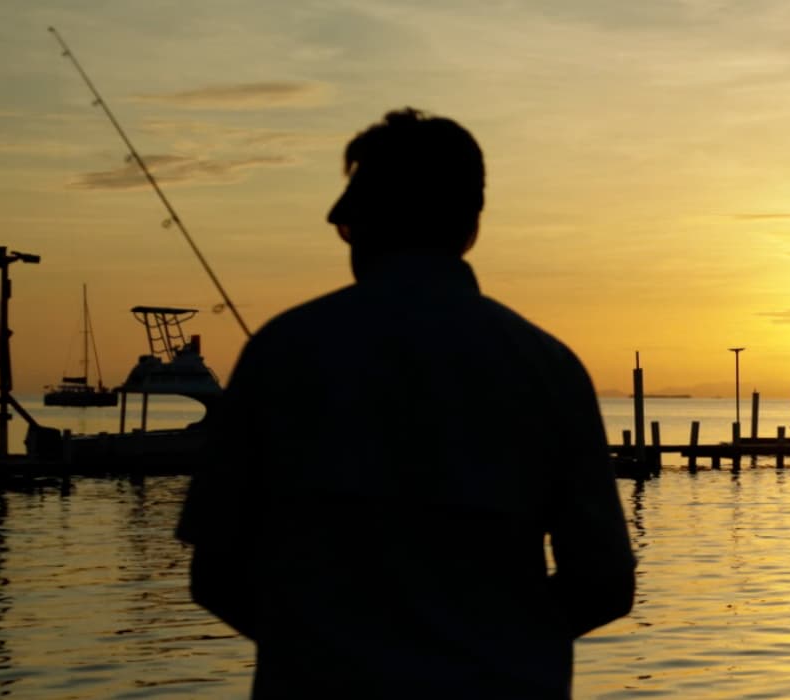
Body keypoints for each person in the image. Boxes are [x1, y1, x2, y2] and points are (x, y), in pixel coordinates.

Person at [177, 108, 635, 697]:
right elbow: (604, 582)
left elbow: (216, 574)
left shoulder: (281, 353)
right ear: (470, 226)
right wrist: (506, 647)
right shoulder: (548, 367)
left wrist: (321, 647)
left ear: (358, 224)